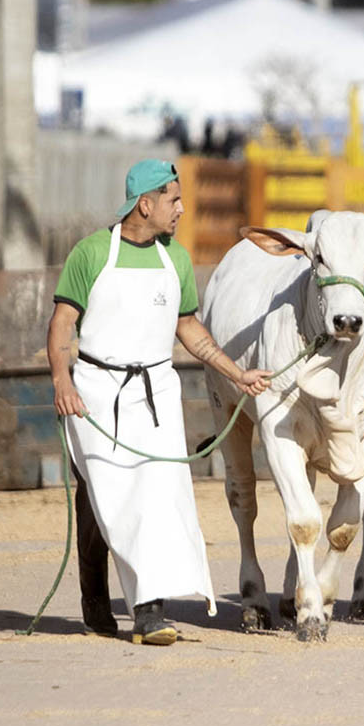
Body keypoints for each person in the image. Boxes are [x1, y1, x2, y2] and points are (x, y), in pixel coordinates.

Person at [46, 158, 271, 646]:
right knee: (103, 498)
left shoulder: (177, 259)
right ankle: (94, 597)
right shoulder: (90, 254)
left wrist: (238, 374)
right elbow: (63, 323)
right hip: (96, 393)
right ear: (144, 204)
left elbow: (188, 327)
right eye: (173, 199)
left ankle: (149, 612)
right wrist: (63, 381)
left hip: (156, 393)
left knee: (155, 497)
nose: (182, 209)